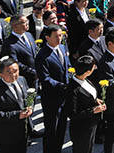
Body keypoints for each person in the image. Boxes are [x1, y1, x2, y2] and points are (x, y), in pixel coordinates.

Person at [35, 24, 70, 153]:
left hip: (64, 96)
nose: (59, 38)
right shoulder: (42, 55)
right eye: (56, 36)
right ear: (47, 37)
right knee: (51, 130)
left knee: (61, 128)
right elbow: (45, 79)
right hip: (51, 98)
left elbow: (67, 66)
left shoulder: (61, 47)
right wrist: (63, 86)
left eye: (60, 35)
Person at [0, 56, 34, 153]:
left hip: (23, 131)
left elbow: (29, 97)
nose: (13, 75)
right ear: (0, 74)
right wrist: (18, 115)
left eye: (16, 71)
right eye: (9, 72)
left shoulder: (22, 80)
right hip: (6, 135)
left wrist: (31, 107)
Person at [64, 55, 106, 153]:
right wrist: (94, 110)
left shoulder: (84, 79)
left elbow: (89, 95)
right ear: (87, 72)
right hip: (81, 129)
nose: (94, 69)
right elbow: (73, 114)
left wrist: (96, 100)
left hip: (90, 125)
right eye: (93, 68)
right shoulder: (72, 89)